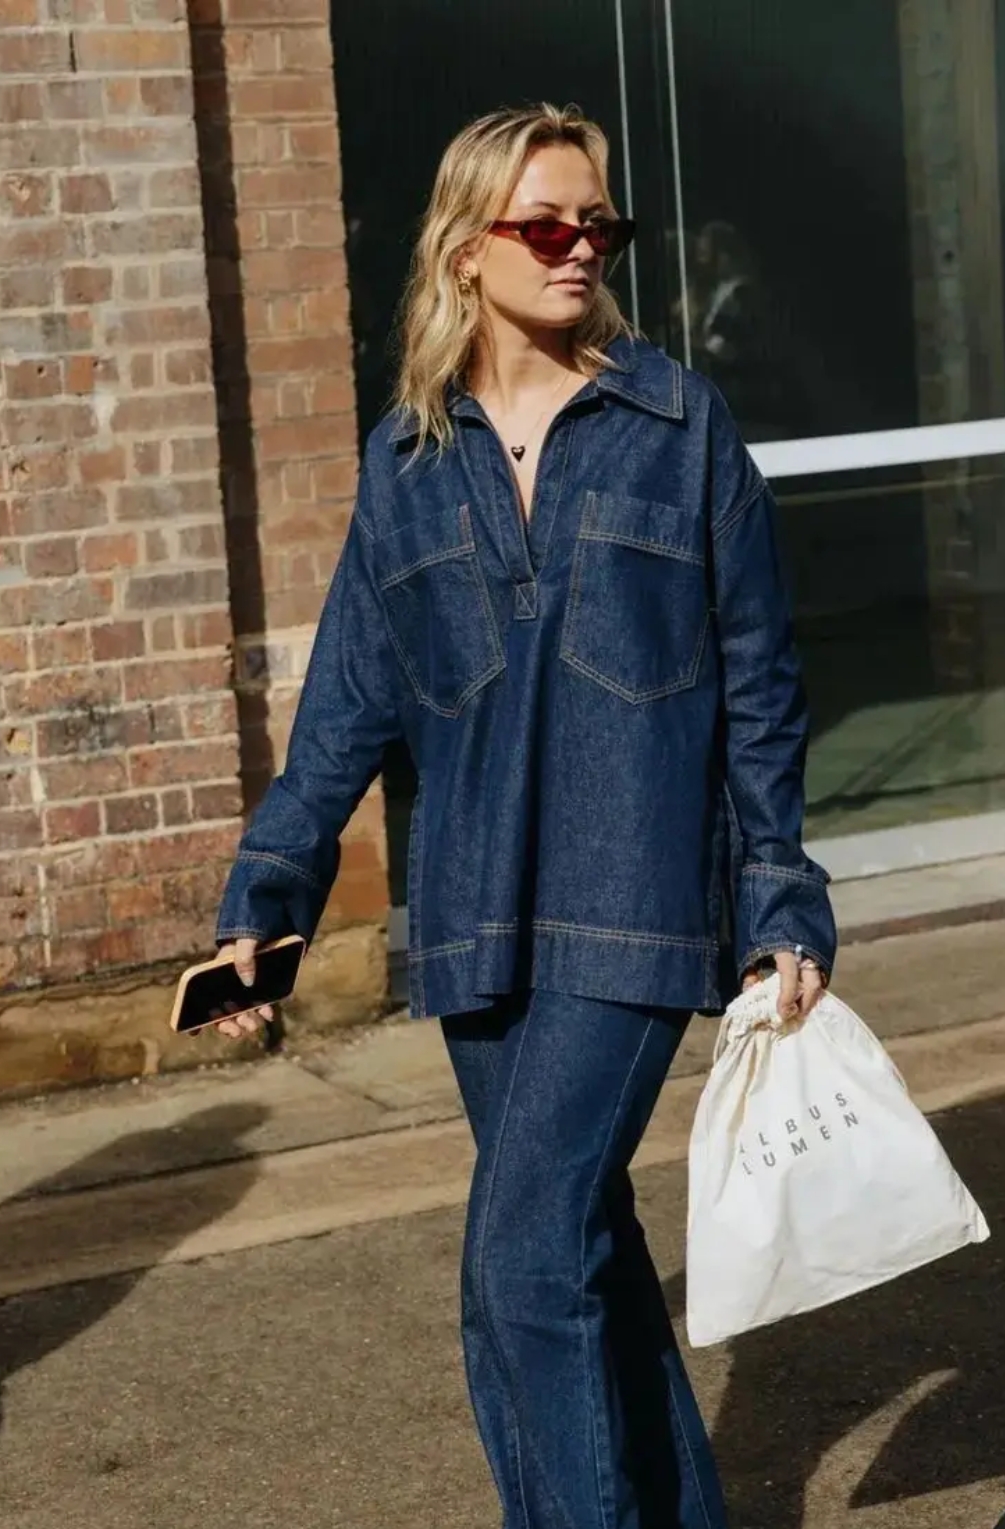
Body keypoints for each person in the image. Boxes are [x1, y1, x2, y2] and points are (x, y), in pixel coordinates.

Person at [211, 103, 837, 1529]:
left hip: (637, 902)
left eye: (597, 226)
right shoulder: (406, 459)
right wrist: (269, 896)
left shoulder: (678, 426)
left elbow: (758, 685)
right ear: (465, 248)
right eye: (545, 224)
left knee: (520, 1264)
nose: (577, 249)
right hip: (476, 919)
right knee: (581, 1249)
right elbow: (349, 704)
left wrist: (780, 897)